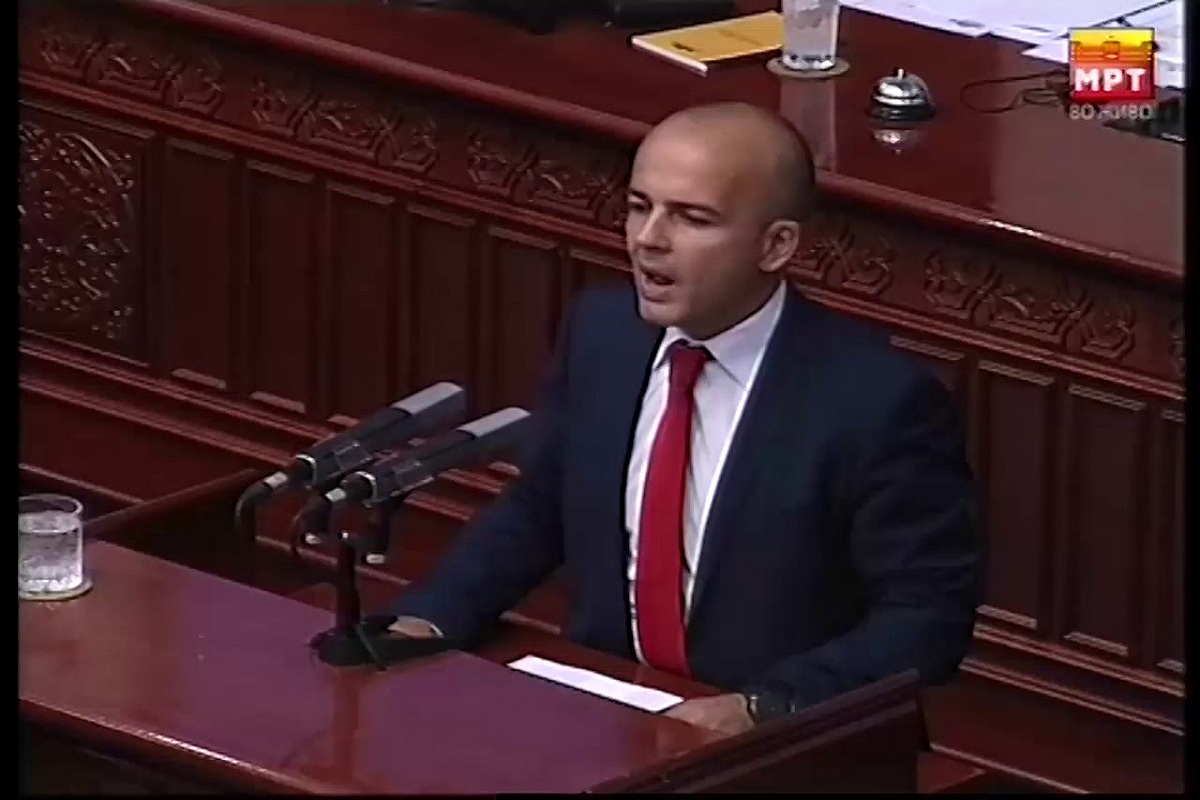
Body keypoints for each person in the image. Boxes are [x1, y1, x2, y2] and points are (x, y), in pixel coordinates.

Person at [380, 101, 982, 735]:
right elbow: (541, 506)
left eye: (692, 218)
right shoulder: (602, 334)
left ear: (776, 245)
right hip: (610, 710)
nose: (649, 240)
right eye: (639, 207)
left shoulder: (875, 399)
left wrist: (763, 708)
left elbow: (927, 616)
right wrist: (434, 616)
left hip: (785, 742)